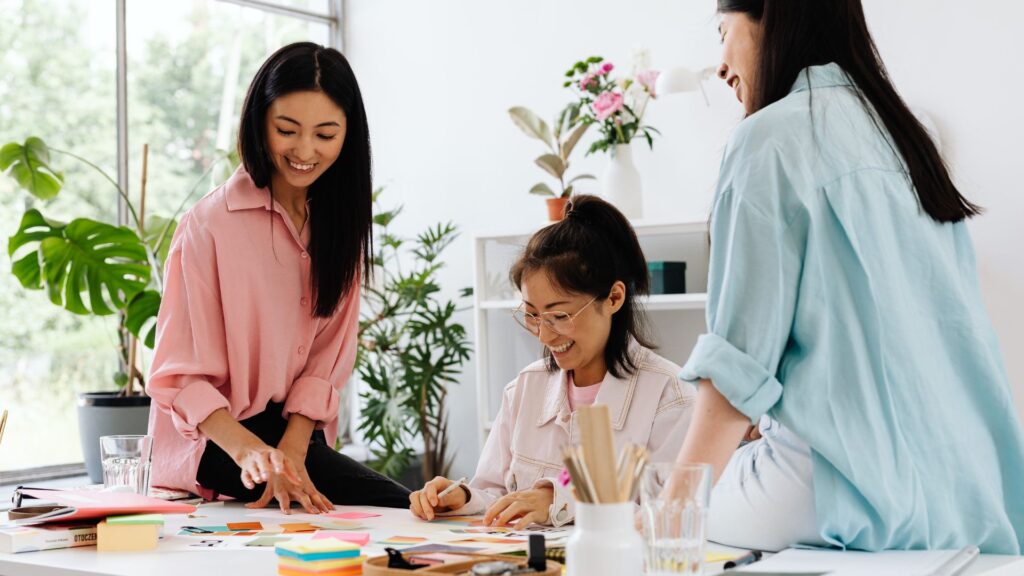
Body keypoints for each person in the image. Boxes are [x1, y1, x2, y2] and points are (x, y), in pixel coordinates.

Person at [672, 0, 1024, 553]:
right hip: (962, 498)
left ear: (770, 16)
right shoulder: (909, 141)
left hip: (839, 492)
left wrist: (665, 521)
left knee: (668, 507)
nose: (720, 64)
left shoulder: (767, 140)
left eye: (723, 32)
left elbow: (734, 370)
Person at [146, 42, 410, 513]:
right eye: (287, 130)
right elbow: (179, 374)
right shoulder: (209, 226)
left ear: (349, 135)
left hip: (294, 436)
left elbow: (328, 357)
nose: (305, 151)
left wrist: (291, 451)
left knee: (396, 507)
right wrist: (253, 453)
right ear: (259, 122)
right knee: (395, 504)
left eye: (326, 134)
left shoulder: (340, 225)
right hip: (216, 442)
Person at [409, 195, 695, 529]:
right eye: (532, 315)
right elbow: (494, 491)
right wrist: (461, 498)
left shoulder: (670, 397)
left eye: (559, 315)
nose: (544, 335)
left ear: (614, 298)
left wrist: (563, 501)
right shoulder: (524, 388)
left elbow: (671, 518)